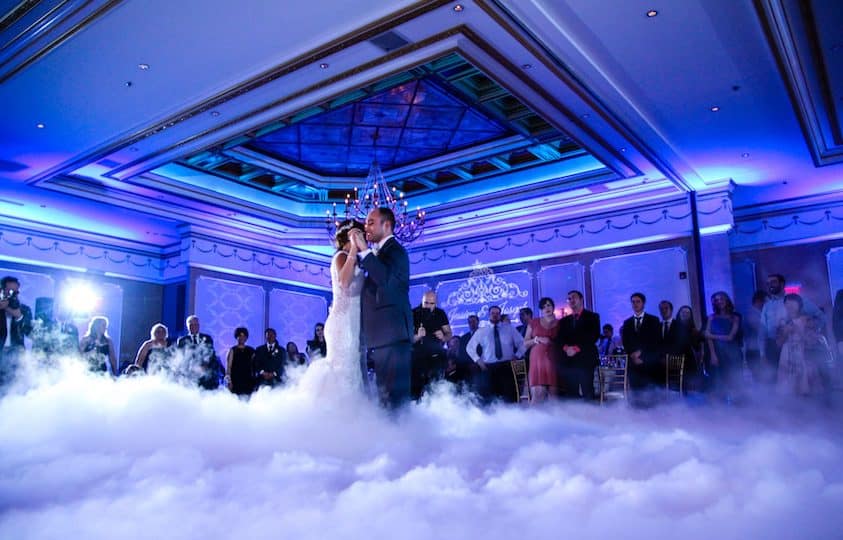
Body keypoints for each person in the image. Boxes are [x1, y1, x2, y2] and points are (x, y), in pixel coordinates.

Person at [351, 207, 414, 408]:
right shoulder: (379, 253)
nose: (365, 227)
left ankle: (400, 436)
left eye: (371, 222)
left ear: (386, 225)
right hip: (383, 338)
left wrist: (365, 251)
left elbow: (385, 281)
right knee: (385, 396)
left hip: (393, 335)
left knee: (394, 398)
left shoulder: (396, 251)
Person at [298, 219, 366, 399]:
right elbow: (344, 282)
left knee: (351, 370)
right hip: (342, 323)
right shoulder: (342, 257)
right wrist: (353, 248)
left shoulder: (355, 260)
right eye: (360, 236)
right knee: (344, 371)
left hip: (352, 321)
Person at [776, 294, 832, 398]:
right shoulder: (782, 322)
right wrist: (785, 332)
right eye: (787, 305)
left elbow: (812, 340)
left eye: (793, 305)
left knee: (805, 385)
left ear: (799, 305)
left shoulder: (807, 320)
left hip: (803, 353)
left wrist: (798, 330)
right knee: (788, 388)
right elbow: (778, 343)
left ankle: (810, 406)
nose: (790, 308)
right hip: (786, 354)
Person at [466, 305, 525, 403]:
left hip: (507, 366)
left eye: (497, 313)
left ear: (500, 315)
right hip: (489, 367)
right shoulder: (482, 331)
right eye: (492, 313)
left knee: (509, 396)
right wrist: (478, 361)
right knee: (490, 398)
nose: (495, 315)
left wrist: (517, 355)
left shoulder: (509, 328)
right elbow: (469, 347)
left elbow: (522, 344)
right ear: (489, 315)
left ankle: (512, 416)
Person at [556, 291, 600, 400]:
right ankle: (573, 415)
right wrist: (566, 348)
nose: (571, 300)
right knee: (571, 393)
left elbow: (593, 336)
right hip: (569, 360)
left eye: (573, 297)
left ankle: (590, 415)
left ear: (581, 299)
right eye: (569, 299)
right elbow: (559, 339)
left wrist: (576, 348)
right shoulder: (563, 321)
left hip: (585, 359)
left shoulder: (592, 317)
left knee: (587, 391)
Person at [411, 290, 452, 400]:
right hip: (417, 357)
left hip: (436, 356)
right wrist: (418, 336)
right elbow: (406, 340)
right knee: (416, 391)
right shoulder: (413, 313)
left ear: (436, 303)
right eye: (426, 303)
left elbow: (449, 334)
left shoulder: (440, 313)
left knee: (436, 388)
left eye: (431, 303)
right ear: (422, 301)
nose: (428, 306)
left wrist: (443, 337)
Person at [703, 291, 743, 401]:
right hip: (717, 352)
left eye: (721, 299)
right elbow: (707, 338)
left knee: (734, 378)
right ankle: (719, 409)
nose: (719, 301)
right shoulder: (711, 318)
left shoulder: (735, 317)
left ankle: (737, 406)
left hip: (733, 352)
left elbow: (730, 337)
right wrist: (712, 354)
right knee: (718, 381)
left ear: (726, 300)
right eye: (716, 300)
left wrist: (712, 335)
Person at [621, 292, 661, 399]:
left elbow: (656, 341)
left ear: (643, 303)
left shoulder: (654, 320)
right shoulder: (627, 322)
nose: (635, 304)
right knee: (635, 393)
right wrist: (632, 354)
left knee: (650, 393)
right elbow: (625, 342)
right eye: (633, 302)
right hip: (633, 363)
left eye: (638, 301)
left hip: (648, 361)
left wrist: (641, 353)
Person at [523, 297, 560, 402]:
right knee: (538, 393)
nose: (546, 308)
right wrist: (536, 339)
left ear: (553, 307)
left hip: (554, 360)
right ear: (541, 310)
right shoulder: (534, 322)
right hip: (537, 361)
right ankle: (534, 417)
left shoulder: (560, 323)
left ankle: (554, 417)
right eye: (543, 307)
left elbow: (564, 342)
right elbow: (525, 343)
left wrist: (550, 342)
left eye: (548, 305)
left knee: (554, 395)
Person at [0, 276, 33, 386]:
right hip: (1, 351)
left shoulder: (24, 309)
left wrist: (11, 310)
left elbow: (28, 331)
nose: (13, 294)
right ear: (2, 290)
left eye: (16, 292)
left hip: (16, 352)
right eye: (10, 291)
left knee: (15, 385)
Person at [176, 315, 222, 389]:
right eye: (191, 325)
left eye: (196, 324)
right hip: (190, 375)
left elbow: (211, 354)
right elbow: (181, 357)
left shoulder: (207, 338)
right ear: (187, 326)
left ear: (199, 325)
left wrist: (205, 365)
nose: (194, 327)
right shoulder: (182, 340)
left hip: (206, 374)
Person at [225, 327, 255, 396]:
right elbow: (228, 367)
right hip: (235, 380)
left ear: (246, 337)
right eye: (240, 336)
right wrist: (229, 381)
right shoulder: (232, 350)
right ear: (236, 337)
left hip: (248, 380)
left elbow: (254, 366)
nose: (242, 338)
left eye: (244, 336)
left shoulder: (251, 350)